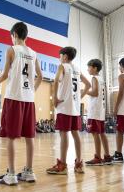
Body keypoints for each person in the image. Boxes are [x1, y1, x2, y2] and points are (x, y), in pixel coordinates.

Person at [0, 22, 42, 186]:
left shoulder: (11, 50)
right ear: (26, 35)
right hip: (29, 99)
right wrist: (32, 91)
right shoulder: (34, 53)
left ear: (14, 34)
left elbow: (4, 75)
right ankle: (29, 172)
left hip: (14, 98)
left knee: (12, 137)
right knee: (29, 137)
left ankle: (12, 174)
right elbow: (41, 76)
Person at [46, 47, 91, 175]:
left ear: (64, 56)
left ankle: (62, 165)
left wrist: (54, 98)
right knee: (76, 134)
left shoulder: (63, 66)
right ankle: (79, 164)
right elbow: (88, 85)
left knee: (64, 134)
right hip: (75, 108)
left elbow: (55, 81)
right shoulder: (77, 69)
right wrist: (79, 98)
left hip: (64, 106)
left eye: (60, 56)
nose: (59, 58)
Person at [85, 59, 112, 166]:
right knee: (102, 133)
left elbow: (95, 92)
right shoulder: (101, 79)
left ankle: (97, 157)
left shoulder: (94, 78)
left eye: (89, 67)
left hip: (95, 110)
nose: (88, 69)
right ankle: (107, 155)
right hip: (101, 109)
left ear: (95, 68)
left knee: (95, 133)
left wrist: (85, 91)